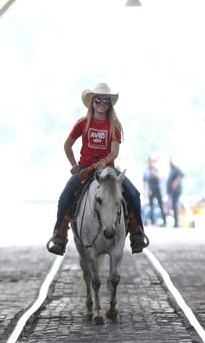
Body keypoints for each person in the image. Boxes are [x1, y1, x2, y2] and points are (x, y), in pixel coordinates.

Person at [46, 83, 148, 255]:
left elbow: (115, 150)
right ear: (92, 102)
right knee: (66, 195)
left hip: (107, 169)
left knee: (133, 193)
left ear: (110, 104)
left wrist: (105, 160)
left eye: (105, 101)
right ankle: (59, 235)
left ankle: (137, 232)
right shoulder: (82, 123)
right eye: (98, 100)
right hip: (85, 167)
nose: (101, 104)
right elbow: (67, 145)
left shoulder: (114, 125)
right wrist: (74, 165)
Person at [143, 155, 166, 226]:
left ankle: (164, 221)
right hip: (150, 190)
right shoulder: (146, 171)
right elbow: (144, 182)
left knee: (161, 205)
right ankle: (152, 221)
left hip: (157, 190)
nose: (149, 163)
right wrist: (145, 192)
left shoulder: (155, 169)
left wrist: (153, 173)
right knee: (151, 206)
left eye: (150, 162)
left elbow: (160, 177)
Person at [166, 158, 184, 227]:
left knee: (175, 205)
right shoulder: (171, 170)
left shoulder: (177, 169)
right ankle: (175, 222)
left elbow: (181, 175)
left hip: (176, 191)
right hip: (172, 191)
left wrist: (175, 182)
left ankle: (176, 222)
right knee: (173, 206)